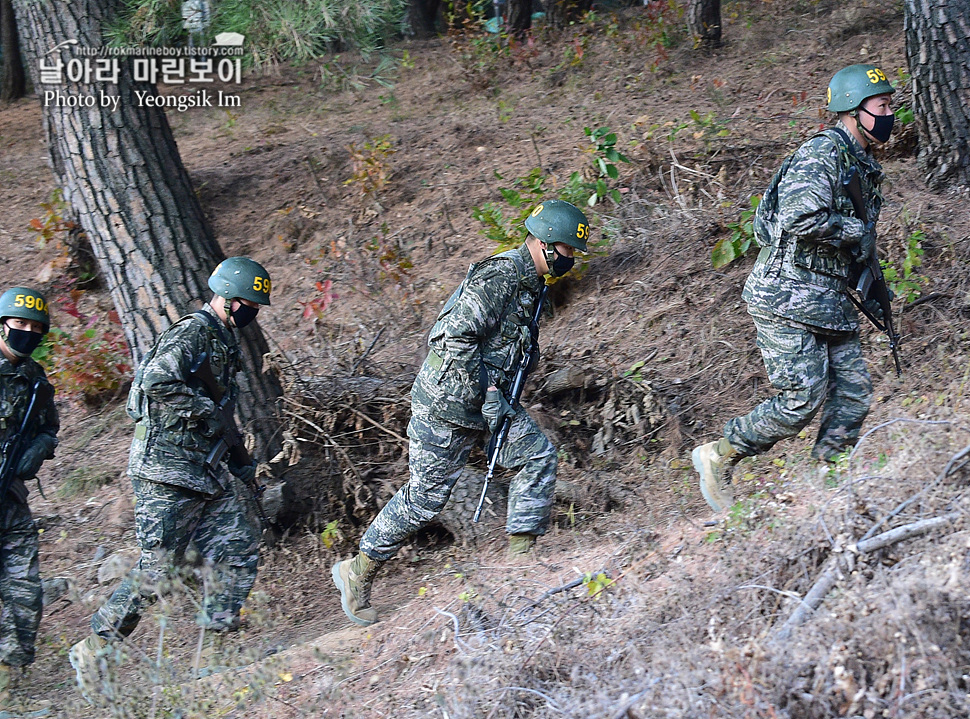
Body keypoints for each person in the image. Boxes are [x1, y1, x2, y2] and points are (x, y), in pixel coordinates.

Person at [333, 199, 589, 627]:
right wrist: (488, 390)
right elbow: (454, 338)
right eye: (567, 251)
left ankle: (520, 562)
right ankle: (358, 571)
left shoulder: (534, 286)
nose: (571, 260)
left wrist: (500, 393)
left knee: (537, 456)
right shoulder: (499, 276)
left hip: (492, 406)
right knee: (426, 499)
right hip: (446, 404)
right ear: (546, 244)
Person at [693, 64, 895, 512]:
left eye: (888, 106)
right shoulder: (821, 154)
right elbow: (799, 219)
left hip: (828, 300)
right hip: (786, 296)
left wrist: (871, 280)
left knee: (855, 391)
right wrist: (853, 232)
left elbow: (852, 240)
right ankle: (718, 454)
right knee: (801, 400)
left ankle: (826, 485)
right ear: (853, 109)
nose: (889, 114)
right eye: (882, 106)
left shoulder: (861, 162)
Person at [68, 257, 272, 703]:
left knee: (239, 545)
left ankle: (214, 650)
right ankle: (96, 645)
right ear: (229, 298)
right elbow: (157, 380)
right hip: (165, 469)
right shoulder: (193, 332)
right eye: (248, 303)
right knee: (159, 569)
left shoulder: (223, 340)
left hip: (202, 471)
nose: (251, 312)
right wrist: (204, 412)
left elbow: (221, 418)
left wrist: (238, 462)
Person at [0, 288, 58, 709]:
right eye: (20, 324)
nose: (28, 332)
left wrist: (38, 449)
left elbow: (47, 427)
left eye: (36, 328)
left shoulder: (35, 378)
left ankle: (10, 677)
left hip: (11, 499)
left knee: (24, 587)